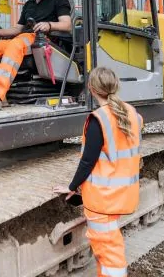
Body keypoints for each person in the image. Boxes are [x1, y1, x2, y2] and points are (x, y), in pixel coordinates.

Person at [53, 67, 143, 277]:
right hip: (123, 195)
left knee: (109, 253)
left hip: (103, 200)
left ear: (91, 89)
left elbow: (87, 162)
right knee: (106, 252)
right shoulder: (132, 113)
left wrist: (71, 186)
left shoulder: (98, 119)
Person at [0, 0, 72, 105]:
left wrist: (49, 25)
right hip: (25, 38)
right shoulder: (28, 5)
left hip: (45, 40)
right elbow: (18, 29)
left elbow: (67, 24)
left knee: (17, 43)